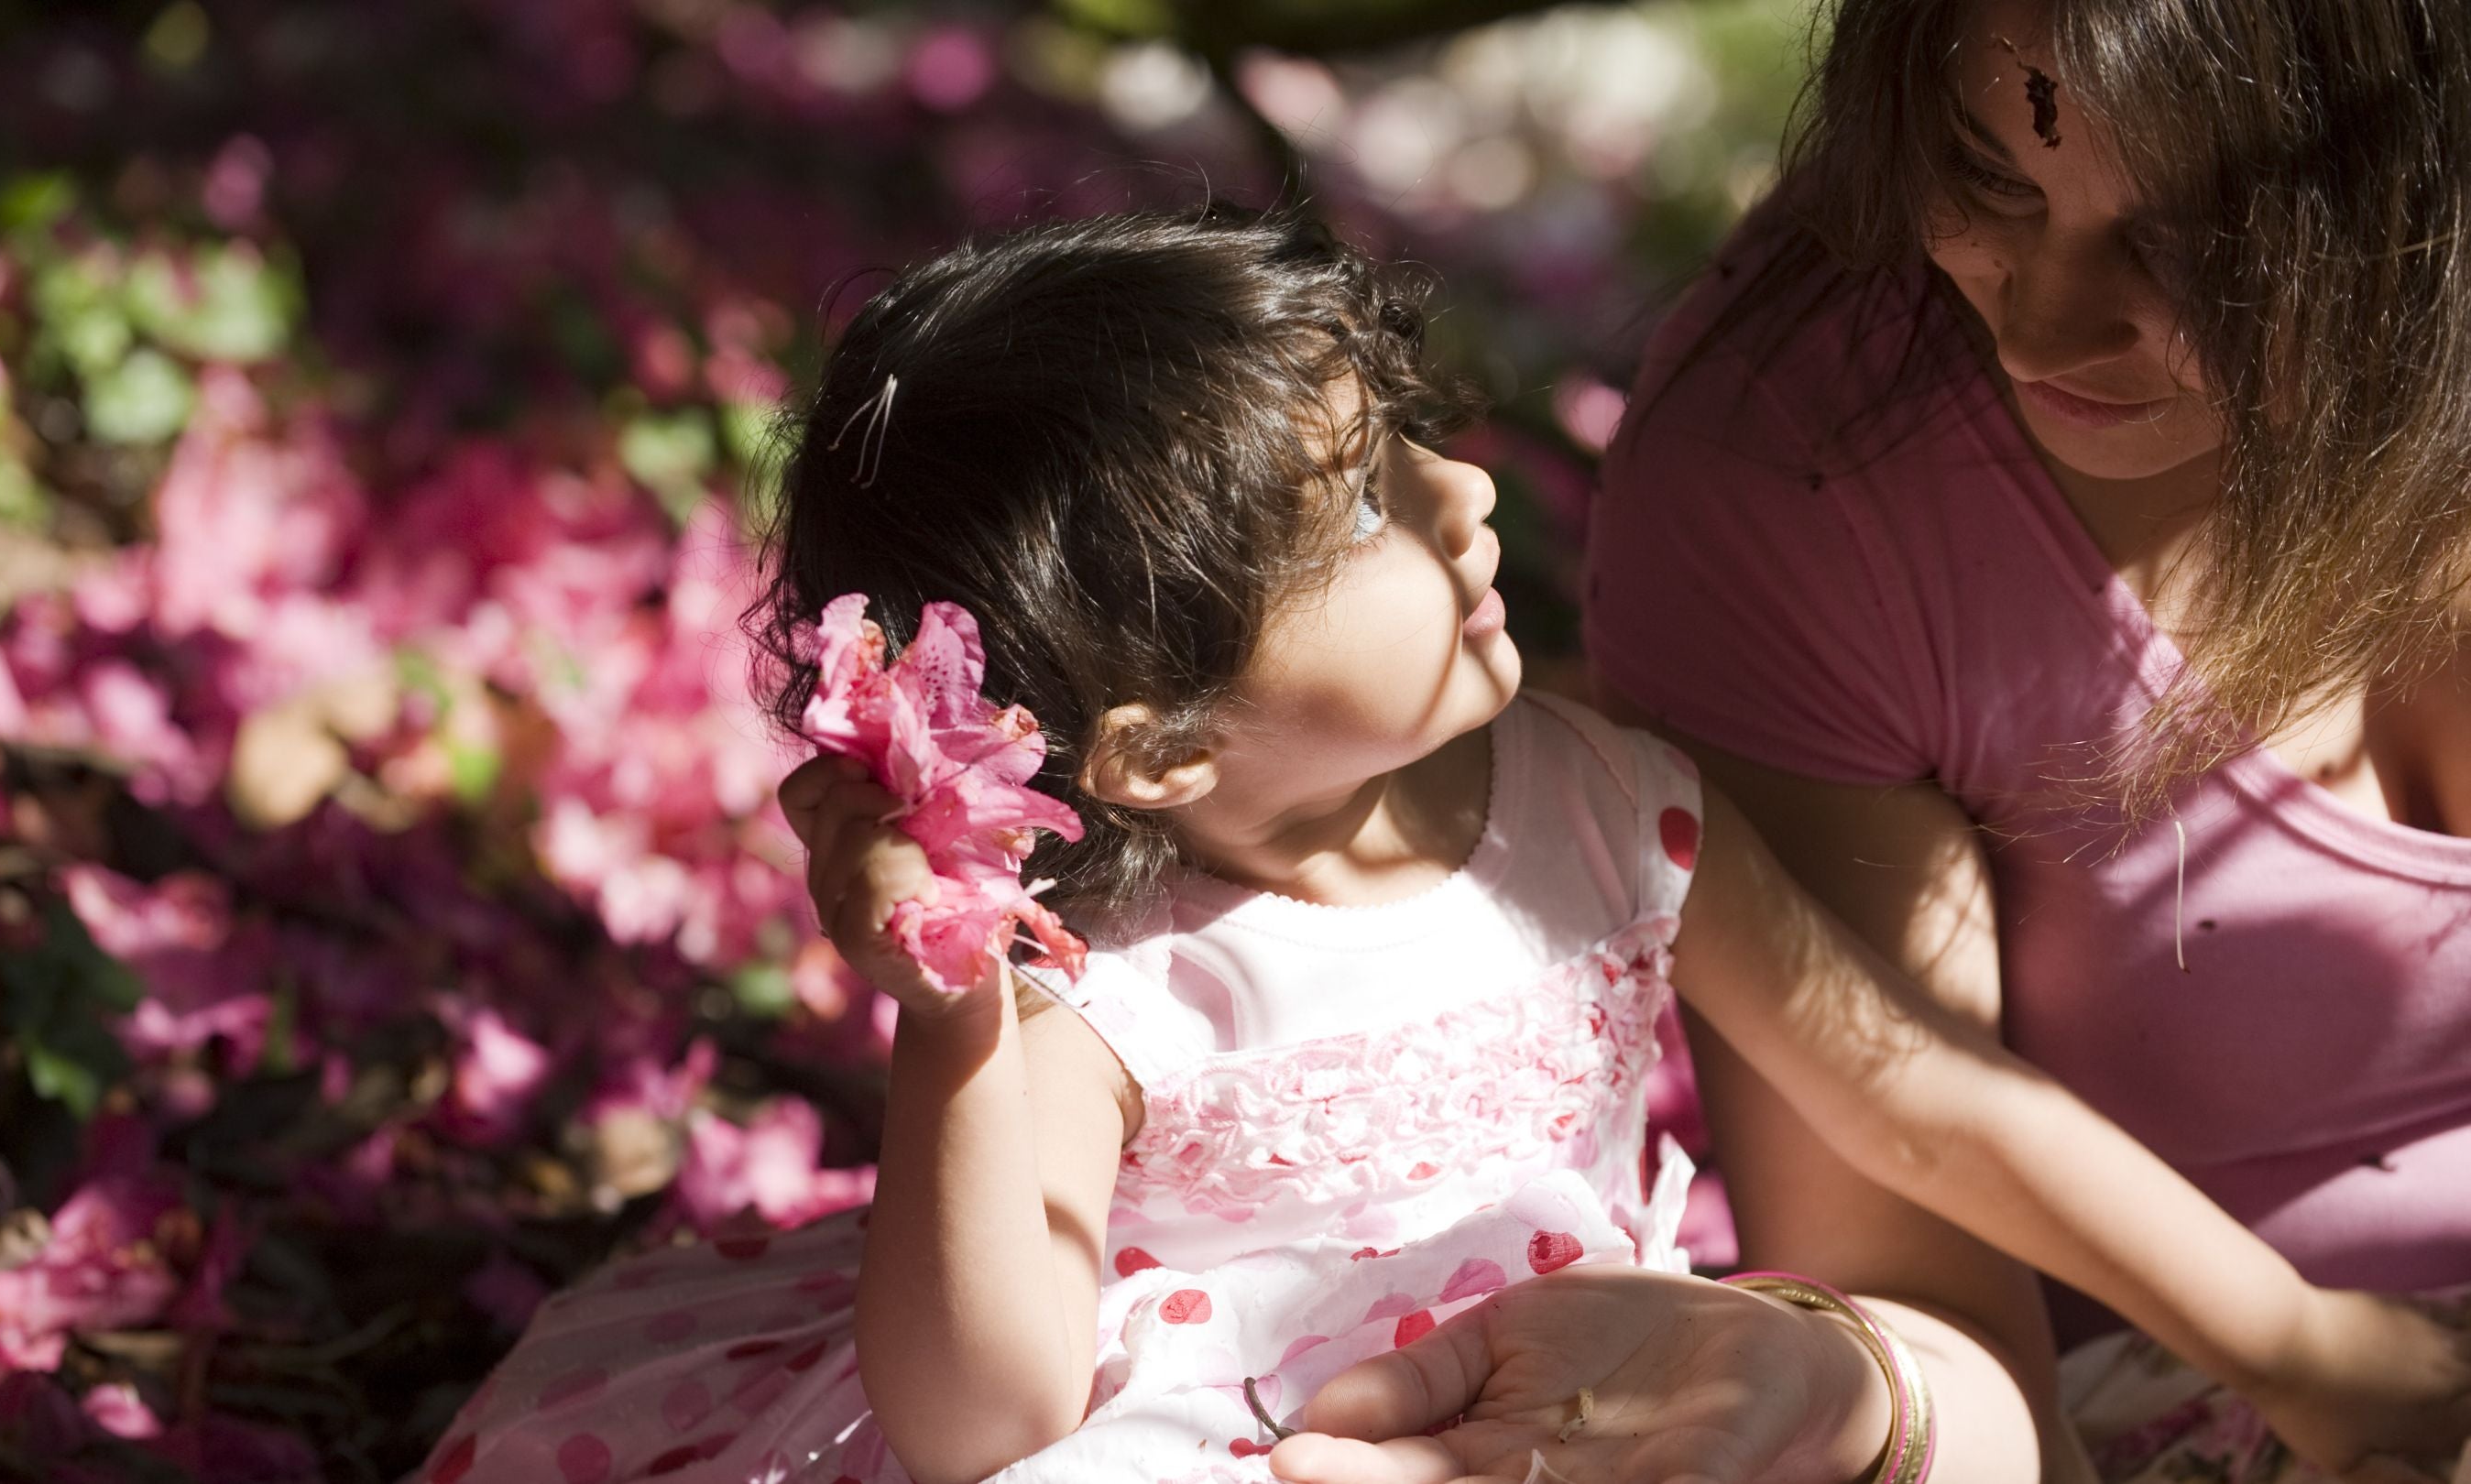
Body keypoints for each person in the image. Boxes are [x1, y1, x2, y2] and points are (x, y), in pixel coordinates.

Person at [414, 204, 2459, 1484]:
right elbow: (983, 1419)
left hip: (1595, 1402)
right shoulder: (1094, 987)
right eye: (1359, 510)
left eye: (1413, 438)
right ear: (1150, 741)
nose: (1468, 498)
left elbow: (1915, 1097)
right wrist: (950, 1028)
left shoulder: (1596, 791)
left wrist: (2293, 1346)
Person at [1266, 2, 2471, 1482]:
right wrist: (1836, 1395)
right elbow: (1919, 1202)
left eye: (2200, 243)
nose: (2040, 323)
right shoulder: (1811, 462)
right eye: (1988, 178)